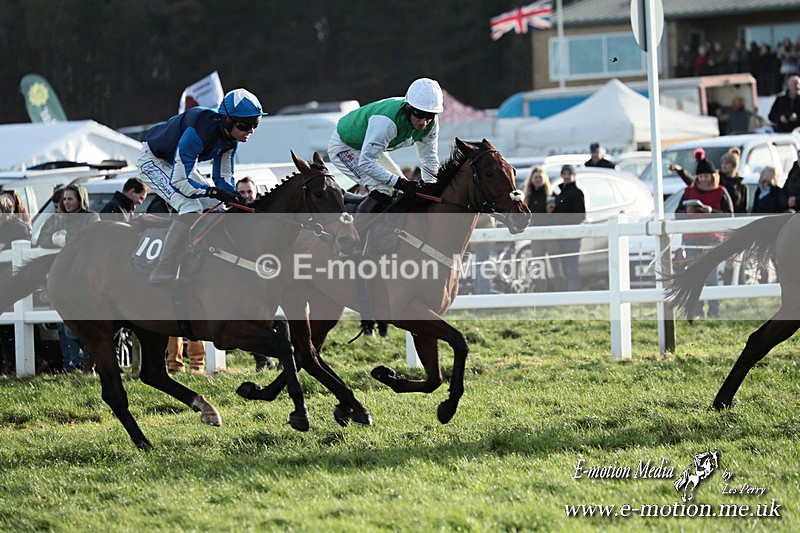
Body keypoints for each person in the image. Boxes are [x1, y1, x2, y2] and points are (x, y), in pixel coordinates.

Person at [137, 88, 260, 284]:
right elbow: (180, 180)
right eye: (245, 125)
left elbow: (224, 176)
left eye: (256, 124)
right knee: (191, 208)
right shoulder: (199, 130)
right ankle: (162, 268)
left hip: (176, 162)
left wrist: (232, 196)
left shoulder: (231, 140)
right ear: (227, 120)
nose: (250, 131)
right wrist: (213, 191)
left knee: (218, 207)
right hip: (153, 160)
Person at [327, 77, 443, 225]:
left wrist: (429, 187)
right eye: (419, 114)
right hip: (345, 146)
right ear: (408, 107)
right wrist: (400, 183)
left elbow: (430, 159)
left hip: (368, 147)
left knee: (400, 192)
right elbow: (366, 162)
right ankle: (352, 238)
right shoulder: (387, 122)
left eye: (429, 116)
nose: (423, 122)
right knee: (383, 188)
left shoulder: (431, 125)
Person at [39, 184, 100, 371]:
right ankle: (76, 362)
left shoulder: (91, 217)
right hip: (66, 276)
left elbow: (88, 238)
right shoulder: (61, 219)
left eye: (70, 198)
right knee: (66, 325)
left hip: (86, 275)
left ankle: (91, 357)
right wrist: (55, 239)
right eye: (64, 199)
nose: (66, 202)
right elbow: (43, 238)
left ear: (80, 199)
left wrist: (65, 238)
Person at [676, 155, 733, 320]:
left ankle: (714, 310)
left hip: (712, 239)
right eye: (701, 176)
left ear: (712, 176)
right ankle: (697, 310)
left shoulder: (721, 191)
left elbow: (730, 215)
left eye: (706, 176)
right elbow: (677, 214)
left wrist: (711, 212)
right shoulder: (688, 192)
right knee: (695, 275)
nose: (703, 179)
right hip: (691, 239)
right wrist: (687, 212)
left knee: (711, 275)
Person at [524, 166, 558, 291]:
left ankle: (560, 290)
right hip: (535, 233)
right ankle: (541, 290)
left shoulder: (551, 195)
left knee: (555, 261)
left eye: (540, 177)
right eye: (535, 177)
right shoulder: (528, 197)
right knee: (538, 263)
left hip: (549, 232)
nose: (538, 180)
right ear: (531, 179)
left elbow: (556, 215)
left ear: (545, 179)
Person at [553, 165, 585, 291]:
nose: (566, 176)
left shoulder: (577, 193)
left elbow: (581, 215)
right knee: (564, 263)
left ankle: (574, 291)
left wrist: (563, 222)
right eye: (564, 173)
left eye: (569, 173)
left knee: (571, 264)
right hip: (561, 234)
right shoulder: (559, 192)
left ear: (574, 175)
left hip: (572, 234)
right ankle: (568, 291)